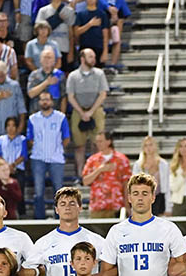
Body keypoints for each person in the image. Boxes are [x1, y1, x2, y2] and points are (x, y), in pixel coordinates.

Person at [27, 91, 70, 220]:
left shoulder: (60, 117)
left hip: (56, 158)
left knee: (59, 190)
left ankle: (59, 218)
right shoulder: (33, 118)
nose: (45, 102)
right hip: (38, 158)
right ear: (39, 102)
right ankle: (39, 219)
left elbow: (66, 138)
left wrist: (59, 149)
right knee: (38, 191)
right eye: (42, 100)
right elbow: (30, 139)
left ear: (52, 101)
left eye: (47, 99)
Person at [66, 48, 109, 177]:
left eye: (94, 57)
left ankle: (95, 173)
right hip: (78, 110)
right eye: (90, 57)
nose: (93, 59)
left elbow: (103, 94)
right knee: (79, 145)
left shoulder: (100, 74)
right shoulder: (73, 76)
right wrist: (81, 112)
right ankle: (80, 174)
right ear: (82, 59)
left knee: (97, 144)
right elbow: (70, 96)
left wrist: (90, 112)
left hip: (95, 110)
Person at [81, 131, 130, 219]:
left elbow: (126, 184)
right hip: (97, 206)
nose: (98, 144)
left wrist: (127, 205)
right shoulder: (92, 160)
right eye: (97, 141)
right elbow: (85, 181)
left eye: (101, 141)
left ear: (108, 141)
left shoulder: (121, 160)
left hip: (115, 205)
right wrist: (99, 170)